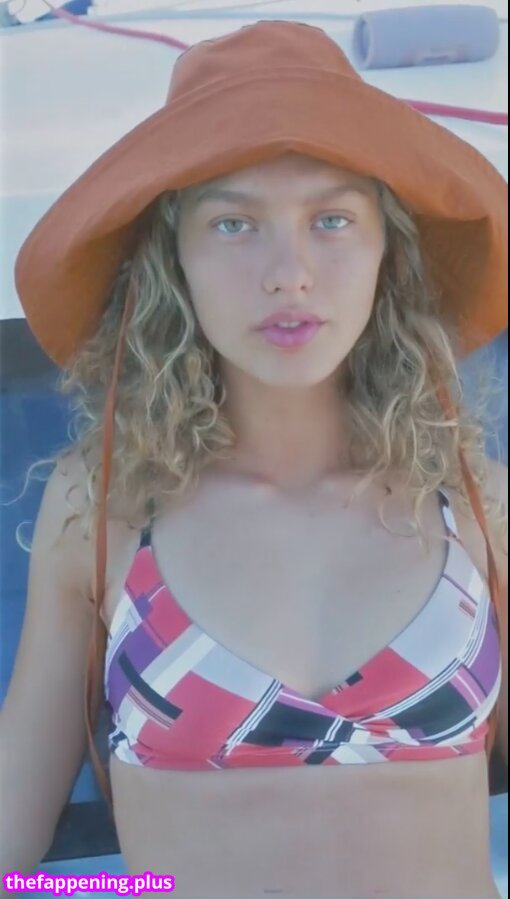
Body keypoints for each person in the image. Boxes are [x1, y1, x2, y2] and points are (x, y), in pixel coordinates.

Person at [1, 18, 508, 899]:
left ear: (387, 251)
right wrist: (97, 893)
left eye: (332, 219)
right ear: (174, 261)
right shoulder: (105, 510)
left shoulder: (474, 504)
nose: (289, 272)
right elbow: (13, 837)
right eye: (234, 223)